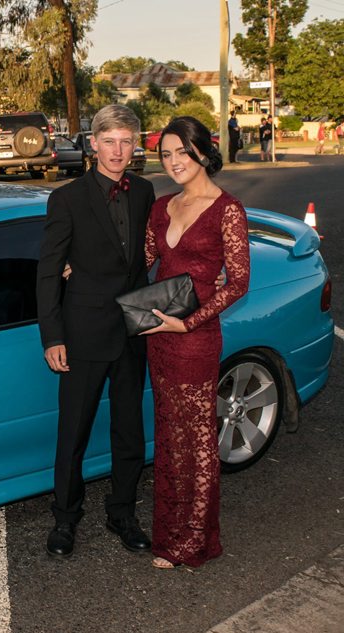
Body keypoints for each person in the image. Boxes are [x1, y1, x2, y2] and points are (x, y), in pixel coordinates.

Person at [36, 104, 156, 558]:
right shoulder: (66, 198)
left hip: (132, 330)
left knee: (129, 430)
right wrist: (53, 336)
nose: (118, 150)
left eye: (126, 141)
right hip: (82, 333)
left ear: (134, 145)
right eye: (109, 141)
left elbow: (147, 254)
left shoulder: (144, 191)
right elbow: (48, 271)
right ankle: (65, 519)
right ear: (93, 144)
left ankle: (122, 512)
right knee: (74, 434)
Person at [142, 116, 250, 569]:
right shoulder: (162, 206)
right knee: (169, 436)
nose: (173, 162)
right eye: (165, 155)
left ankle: (194, 542)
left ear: (202, 152)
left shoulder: (227, 209)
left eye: (181, 152)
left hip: (193, 340)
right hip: (158, 339)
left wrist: (186, 326)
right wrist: (80, 267)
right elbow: (140, 260)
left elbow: (238, 283)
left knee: (199, 439)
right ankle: (169, 534)